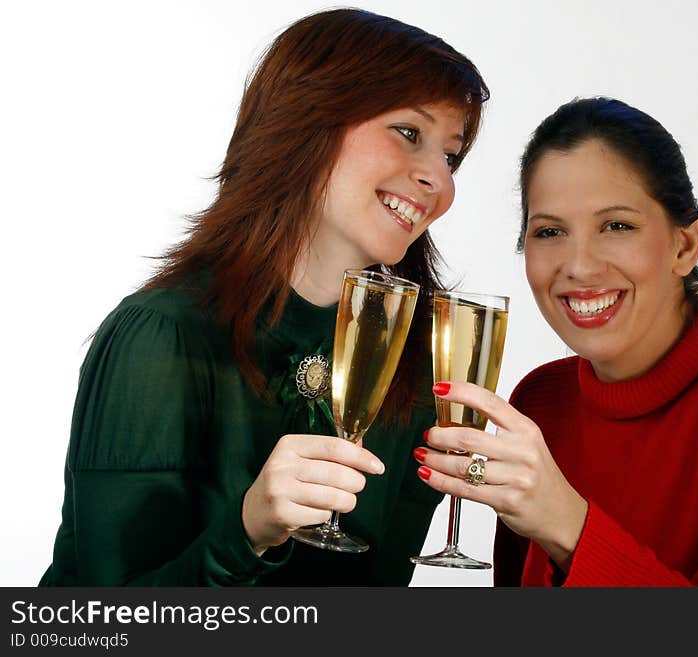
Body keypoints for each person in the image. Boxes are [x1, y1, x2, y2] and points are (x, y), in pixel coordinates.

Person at [40, 8, 489, 586]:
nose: (440, 181)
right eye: (409, 134)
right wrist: (248, 531)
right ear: (308, 121)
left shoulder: (413, 362)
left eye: (451, 156)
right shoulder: (161, 335)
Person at [413, 97, 698, 586]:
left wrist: (569, 526)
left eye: (617, 226)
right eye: (550, 231)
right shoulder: (542, 400)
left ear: (685, 246)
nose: (579, 266)